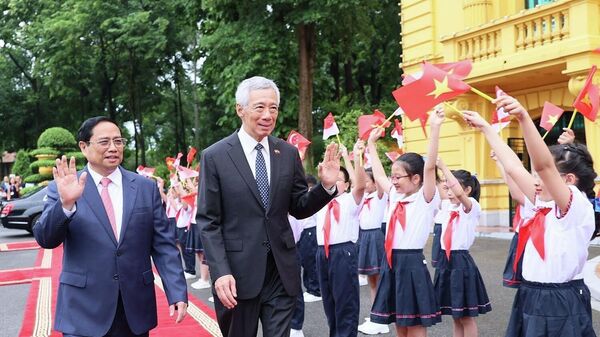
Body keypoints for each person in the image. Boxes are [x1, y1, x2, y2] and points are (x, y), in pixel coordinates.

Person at [197, 76, 341, 337]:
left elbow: (298, 206)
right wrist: (219, 272)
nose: (267, 115)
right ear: (240, 110)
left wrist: (326, 188)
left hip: (280, 271)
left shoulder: (286, 153)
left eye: (273, 108)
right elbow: (208, 221)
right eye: (259, 107)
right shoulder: (215, 156)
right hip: (236, 277)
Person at [33, 116, 188, 337]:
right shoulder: (65, 187)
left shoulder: (145, 188)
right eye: (104, 142)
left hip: (134, 308)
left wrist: (177, 291)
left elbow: (164, 245)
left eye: (119, 141)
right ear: (84, 147)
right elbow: (46, 239)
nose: (113, 148)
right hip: (83, 309)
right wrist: (65, 204)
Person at [463, 97, 598, 337]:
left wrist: (525, 118)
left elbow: (545, 166)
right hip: (531, 294)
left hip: (559, 299)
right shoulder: (543, 202)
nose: (536, 180)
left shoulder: (576, 206)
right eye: (534, 176)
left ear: (569, 180)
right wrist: (486, 128)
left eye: (543, 176)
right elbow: (515, 167)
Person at [367, 107, 444, 337]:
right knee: (399, 323)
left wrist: (435, 128)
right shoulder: (395, 195)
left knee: (416, 325)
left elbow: (429, 166)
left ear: (416, 178)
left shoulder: (426, 198)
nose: (394, 181)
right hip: (391, 263)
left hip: (411, 264)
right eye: (394, 177)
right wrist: (371, 145)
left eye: (398, 177)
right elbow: (379, 176)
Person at [434, 159, 492, 337]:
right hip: (445, 260)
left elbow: (458, 193)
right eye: (447, 188)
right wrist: (431, 167)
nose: (450, 192)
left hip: (460, 262)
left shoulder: (471, 207)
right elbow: (436, 186)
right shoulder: (446, 206)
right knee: (455, 315)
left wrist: (444, 167)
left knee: (466, 316)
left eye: (453, 188)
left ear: (467, 190)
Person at [315, 140, 366, 337]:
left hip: (342, 252)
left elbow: (360, 184)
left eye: (339, 179)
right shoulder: (319, 199)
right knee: (329, 302)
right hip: (322, 252)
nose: (334, 182)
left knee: (346, 303)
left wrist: (356, 156)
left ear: (346, 185)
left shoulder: (350, 200)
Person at [356, 168, 389, 335]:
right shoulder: (363, 197)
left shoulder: (379, 196)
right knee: (372, 281)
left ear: (375, 183)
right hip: (364, 238)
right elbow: (356, 179)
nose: (364, 184)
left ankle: (382, 318)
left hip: (375, 237)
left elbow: (380, 176)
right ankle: (375, 314)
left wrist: (371, 148)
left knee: (379, 279)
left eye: (367, 181)